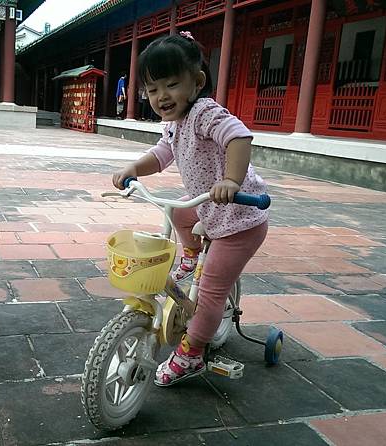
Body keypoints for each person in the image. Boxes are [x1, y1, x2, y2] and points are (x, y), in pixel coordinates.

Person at [112, 32, 268, 386]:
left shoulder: (204, 112)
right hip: (210, 211)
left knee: (210, 290)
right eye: (152, 89)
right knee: (178, 211)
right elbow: (162, 154)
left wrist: (231, 180)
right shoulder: (174, 123)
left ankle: (192, 353)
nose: (161, 96)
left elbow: (239, 136)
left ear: (196, 82)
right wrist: (134, 168)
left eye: (171, 84)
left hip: (241, 221)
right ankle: (191, 253)